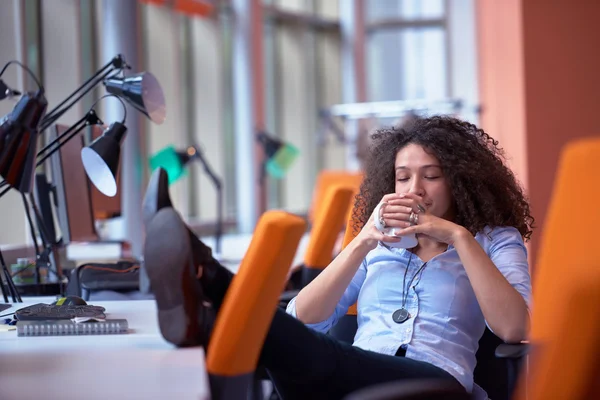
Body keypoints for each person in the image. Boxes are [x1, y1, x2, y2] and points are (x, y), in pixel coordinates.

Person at [143, 115, 534, 400]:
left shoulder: (494, 240)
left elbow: (514, 328)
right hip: (351, 377)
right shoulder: (379, 242)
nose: (415, 189)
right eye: (402, 177)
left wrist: (458, 236)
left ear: (460, 180)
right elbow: (303, 317)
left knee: (306, 354)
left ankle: (208, 278)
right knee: (295, 352)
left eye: (431, 175)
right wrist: (363, 241)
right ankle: (206, 298)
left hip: (435, 386)